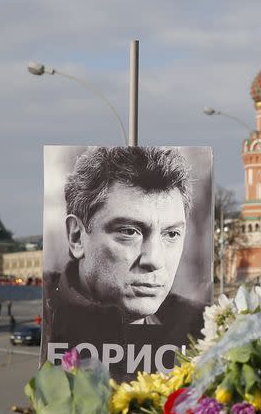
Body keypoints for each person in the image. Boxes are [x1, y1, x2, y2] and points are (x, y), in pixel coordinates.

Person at [43, 147, 206, 380]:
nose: (154, 260)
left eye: (171, 234)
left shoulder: (201, 324)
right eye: (129, 231)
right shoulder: (46, 311)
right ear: (77, 237)